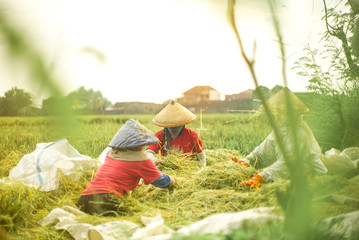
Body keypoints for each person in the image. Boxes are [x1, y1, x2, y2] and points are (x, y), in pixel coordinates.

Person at [77, 118, 182, 216]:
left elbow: (121, 174)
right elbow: (162, 181)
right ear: (139, 144)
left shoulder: (111, 153)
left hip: (84, 199)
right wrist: (177, 180)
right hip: (106, 199)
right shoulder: (140, 159)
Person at [238, 88, 328, 189]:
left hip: (314, 179)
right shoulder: (279, 132)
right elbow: (260, 154)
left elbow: (287, 164)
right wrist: (245, 161)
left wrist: (260, 176)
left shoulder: (297, 134)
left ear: (285, 115)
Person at [145, 100, 206, 167]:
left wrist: (200, 171)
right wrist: (155, 160)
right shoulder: (160, 136)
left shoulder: (193, 136)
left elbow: (201, 157)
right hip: (168, 170)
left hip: (188, 169)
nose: (174, 129)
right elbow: (148, 153)